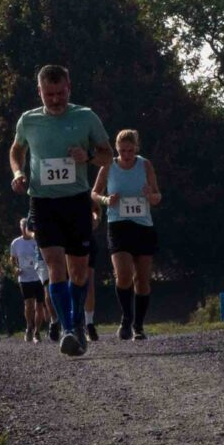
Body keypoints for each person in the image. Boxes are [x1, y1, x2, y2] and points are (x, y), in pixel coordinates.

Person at [10, 65, 113, 356]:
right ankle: (68, 330)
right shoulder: (28, 120)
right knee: (55, 267)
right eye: (49, 94)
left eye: (60, 93)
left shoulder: (85, 116)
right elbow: (16, 150)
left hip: (76, 201)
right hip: (43, 203)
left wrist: (88, 156)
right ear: (39, 92)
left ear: (69, 88)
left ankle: (76, 320)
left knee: (78, 272)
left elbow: (108, 155)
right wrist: (18, 172)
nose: (55, 100)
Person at [92, 129, 164, 340]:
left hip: (143, 226)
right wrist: (106, 200)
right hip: (118, 225)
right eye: (122, 151)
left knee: (142, 279)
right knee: (123, 275)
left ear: (136, 149)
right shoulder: (109, 166)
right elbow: (94, 193)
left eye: (130, 151)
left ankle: (138, 326)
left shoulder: (145, 165)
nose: (126, 155)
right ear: (116, 149)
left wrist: (150, 195)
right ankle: (126, 317)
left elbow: (158, 196)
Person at [9, 216, 52, 342]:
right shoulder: (16, 243)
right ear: (20, 228)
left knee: (40, 305)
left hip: (38, 276)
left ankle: (37, 331)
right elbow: (12, 259)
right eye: (22, 226)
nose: (24, 229)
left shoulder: (36, 241)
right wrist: (15, 268)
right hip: (24, 278)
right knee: (28, 305)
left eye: (26, 226)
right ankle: (29, 326)